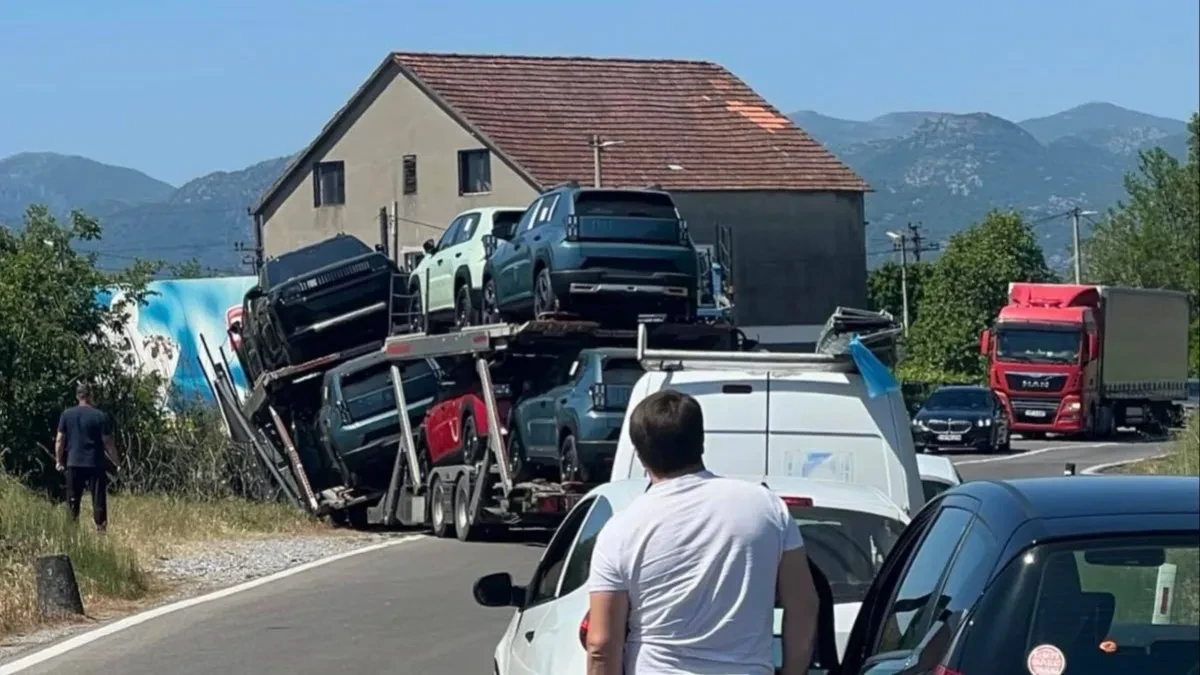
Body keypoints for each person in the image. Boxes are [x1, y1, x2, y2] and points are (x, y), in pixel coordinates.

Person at [585, 389, 819, 675]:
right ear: (701, 442)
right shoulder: (766, 507)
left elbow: (601, 645)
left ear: (640, 454)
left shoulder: (620, 529)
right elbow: (804, 605)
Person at [54, 382, 119, 532]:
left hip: (73, 462)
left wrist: (59, 460)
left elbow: (59, 440)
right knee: (98, 499)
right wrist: (117, 462)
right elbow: (108, 442)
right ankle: (101, 530)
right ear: (90, 396)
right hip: (95, 463)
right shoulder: (100, 416)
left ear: (78, 396)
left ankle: (72, 531)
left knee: (73, 500)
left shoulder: (67, 415)